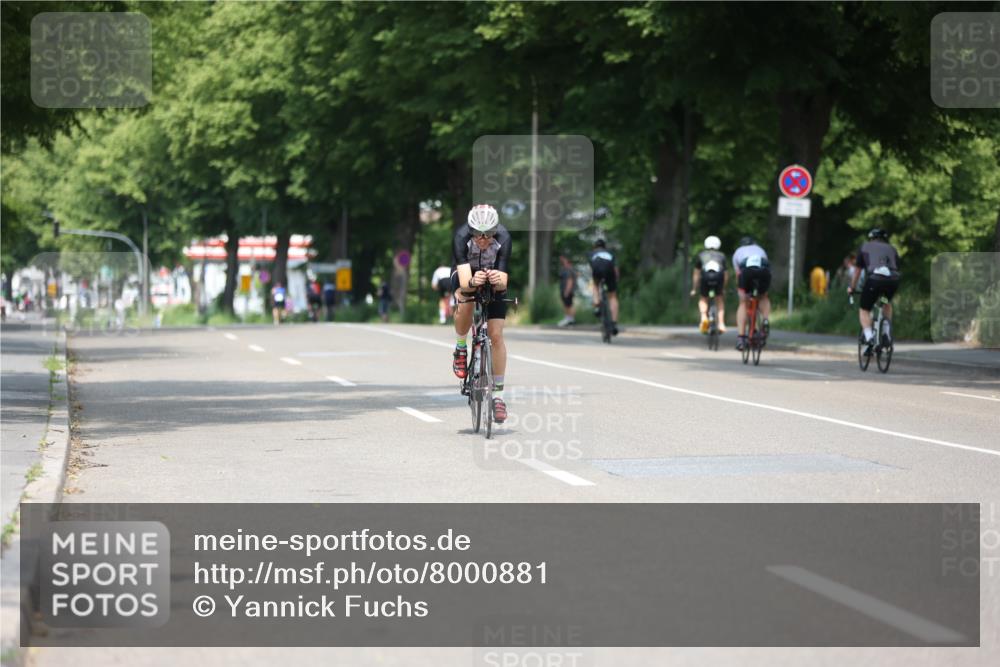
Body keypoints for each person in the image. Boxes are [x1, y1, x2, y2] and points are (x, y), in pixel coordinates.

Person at [450, 204, 512, 423]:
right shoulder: (460, 237)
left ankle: (498, 395)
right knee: (465, 300)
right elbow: (466, 280)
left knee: (496, 335)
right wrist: (473, 282)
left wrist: (496, 280)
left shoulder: (504, 236)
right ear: (470, 230)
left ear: (496, 230)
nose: (484, 239)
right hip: (467, 273)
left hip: (492, 275)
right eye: (478, 234)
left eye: (488, 234)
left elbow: (504, 280)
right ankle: (460, 347)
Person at [848, 228, 901, 354]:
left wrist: (852, 287)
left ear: (871, 238)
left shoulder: (865, 247)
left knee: (864, 309)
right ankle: (886, 334)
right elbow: (896, 267)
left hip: (874, 281)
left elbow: (857, 271)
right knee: (885, 301)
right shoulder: (892, 249)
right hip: (892, 281)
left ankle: (869, 337)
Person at [732, 236, 771, 351]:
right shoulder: (760, 249)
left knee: (743, 302)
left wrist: (740, 290)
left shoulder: (737, 252)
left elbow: (738, 274)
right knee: (763, 296)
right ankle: (765, 319)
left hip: (746, 270)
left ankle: (741, 337)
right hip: (763, 269)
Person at [691, 235, 727, 334]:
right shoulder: (721, 256)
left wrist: (694, 288)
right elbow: (725, 274)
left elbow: (696, 274)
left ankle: (703, 317)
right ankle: (721, 323)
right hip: (718, 277)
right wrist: (723, 288)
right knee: (719, 299)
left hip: (705, 278)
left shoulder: (701, 255)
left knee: (703, 298)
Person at [589, 239, 619, 335]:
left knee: (595, 285)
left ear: (595, 246)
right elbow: (616, 269)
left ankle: (597, 304)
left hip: (597, 270)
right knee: (613, 296)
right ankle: (614, 323)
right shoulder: (610, 253)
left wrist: (594, 280)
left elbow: (592, 268)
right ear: (604, 246)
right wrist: (616, 280)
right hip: (609, 270)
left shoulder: (592, 253)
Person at [557, 253, 577, 327]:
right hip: (567, 290)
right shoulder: (568, 268)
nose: (561, 260)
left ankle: (569, 319)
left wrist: (567, 291)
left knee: (568, 305)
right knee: (568, 305)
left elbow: (570, 281)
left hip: (567, 290)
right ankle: (570, 319)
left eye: (562, 259)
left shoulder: (568, 269)